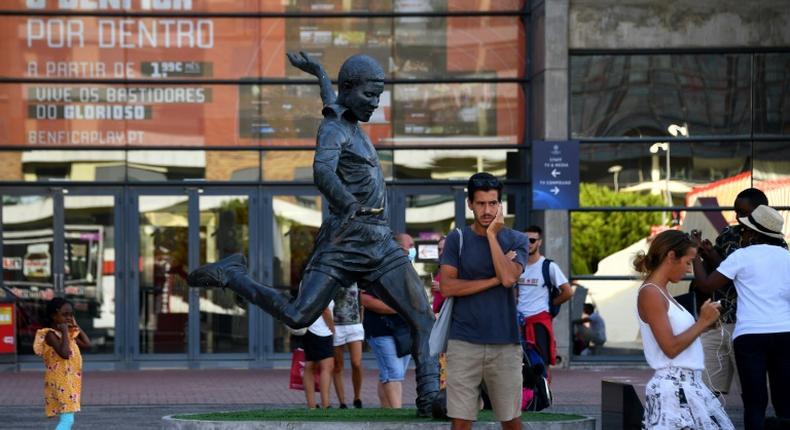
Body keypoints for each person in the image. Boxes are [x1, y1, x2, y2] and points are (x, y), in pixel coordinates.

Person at [188, 52, 439, 415]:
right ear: (350, 90)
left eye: (379, 95)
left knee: (424, 318)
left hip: (379, 242)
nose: (375, 103)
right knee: (298, 316)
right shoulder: (335, 129)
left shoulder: (346, 119)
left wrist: (320, 73)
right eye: (370, 95)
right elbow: (323, 172)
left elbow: (332, 102)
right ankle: (233, 275)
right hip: (345, 240)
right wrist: (348, 204)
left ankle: (429, 399)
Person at [439, 172, 529, 430]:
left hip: (506, 342)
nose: (487, 210)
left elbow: (510, 278)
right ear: (470, 204)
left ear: (500, 205)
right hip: (463, 341)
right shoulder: (458, 238)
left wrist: (492, 236)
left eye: (492, 203)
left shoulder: (516, 239)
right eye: (481, 203)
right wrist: (494, 279)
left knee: (511, 420)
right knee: (460, 422)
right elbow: (447, 287)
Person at [692, 204, 790, 430]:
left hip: (751, 336)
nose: (742, 234)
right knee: (785, 402)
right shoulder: (787, 257)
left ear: (755, 233)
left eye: (745, 230)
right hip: (785, 334)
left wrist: (697, 254)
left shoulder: (742, 256)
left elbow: (706, 286)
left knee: (755, 404)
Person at [634, 229, 733, 430]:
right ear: (671, 256)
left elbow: (677, 340)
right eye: (688, 262)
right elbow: (670, 348)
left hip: (685, 387)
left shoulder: (661, 292)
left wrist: (704, 325)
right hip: (675, 390)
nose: (689, 270)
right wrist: (702, 323)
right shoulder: (651, 293)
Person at [516, 225, 573, 366]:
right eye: (524, 240)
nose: (528, 243)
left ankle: (544, 389)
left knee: (542, 366)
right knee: (518, 366)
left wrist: (550, 304)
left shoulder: (548, 266)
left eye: (532, 240)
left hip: (539, 322)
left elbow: (568, 292)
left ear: (539, 242)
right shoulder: (517, 266)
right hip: (518, 323)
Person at [34, 297, 91, 430]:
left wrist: (76, 326)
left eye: (71, 315)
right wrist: (65, 332)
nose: (68, 318)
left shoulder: (68, 335)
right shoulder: (50, 334)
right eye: (64, 315)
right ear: (53, 315)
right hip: (60, 381)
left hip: (69, 380)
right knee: (68, 420)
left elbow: (87, 344)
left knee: (68, 417)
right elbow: (64, 353)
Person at [361, 291, 412, 408]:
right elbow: (366, 300)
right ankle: (397, 415)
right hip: (381, 330)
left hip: (404, 331)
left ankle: (386, 410)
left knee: (389, 374)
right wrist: (404, 307)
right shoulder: (370, 276)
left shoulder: (404, 275)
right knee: (394, 374)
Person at [331, 284, 364, 409]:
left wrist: (361, 320)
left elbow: (361, 299)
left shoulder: (355, 277)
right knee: (338, 365)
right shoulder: (333, 276)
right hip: (336, 325)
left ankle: (357, 397)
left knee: (356, 362)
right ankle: (342, 402)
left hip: (354, 325)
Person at [303, 301, 335, 409]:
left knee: (310, 366)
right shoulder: (323, 285)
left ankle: (311, 405)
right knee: (327, 367)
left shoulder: (306, 284)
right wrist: (332, 328)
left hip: (310, 329)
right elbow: (324, 309)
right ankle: (326, 404)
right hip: (321, 330)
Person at [431, 236, 447, 314]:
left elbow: (461, 290)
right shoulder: (441, 268)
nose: (441, 252)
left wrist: (441, 287)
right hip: (438, 314)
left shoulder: (458, 268)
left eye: (444, 249)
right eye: (439, 249)